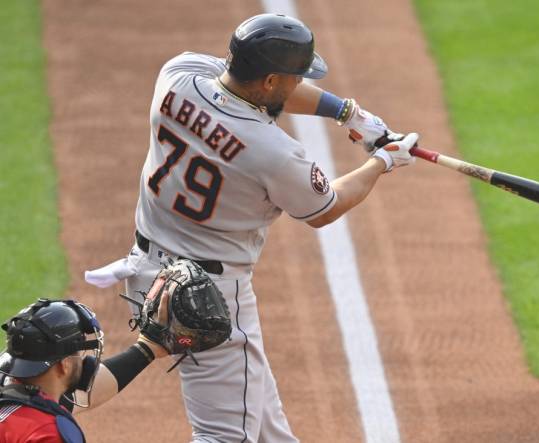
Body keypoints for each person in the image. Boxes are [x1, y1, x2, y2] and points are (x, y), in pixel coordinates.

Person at [89, 12, 419, 443]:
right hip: (207, 300)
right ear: (268, 82)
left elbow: (247, 91)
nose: (298, 84)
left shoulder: (178, 75)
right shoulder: (273, 152)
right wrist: (383, 161)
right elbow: (325, 208)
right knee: (226, 436)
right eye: (294, 77)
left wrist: (348, 113)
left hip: (145, 275)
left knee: (264, 425)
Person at [0, 296, 169, 443]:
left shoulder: (13, 397)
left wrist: (148, 348)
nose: (83, 361)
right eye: (78, 354)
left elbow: (79, 394)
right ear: (64, 365)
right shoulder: (46, 432)